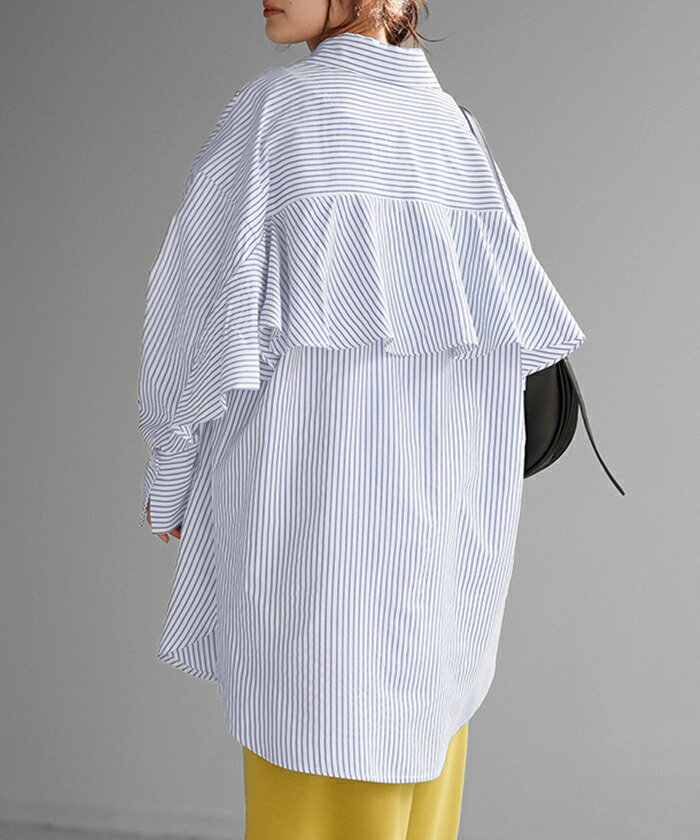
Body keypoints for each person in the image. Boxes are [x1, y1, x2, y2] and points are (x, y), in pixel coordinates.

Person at [137, 1, 586, 838]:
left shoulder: (279, 114)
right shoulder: (455, 131)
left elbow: (199, 302)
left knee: (313, 747)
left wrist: (172, 467)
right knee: (417, 757)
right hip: (444, 546)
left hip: (315, 533)